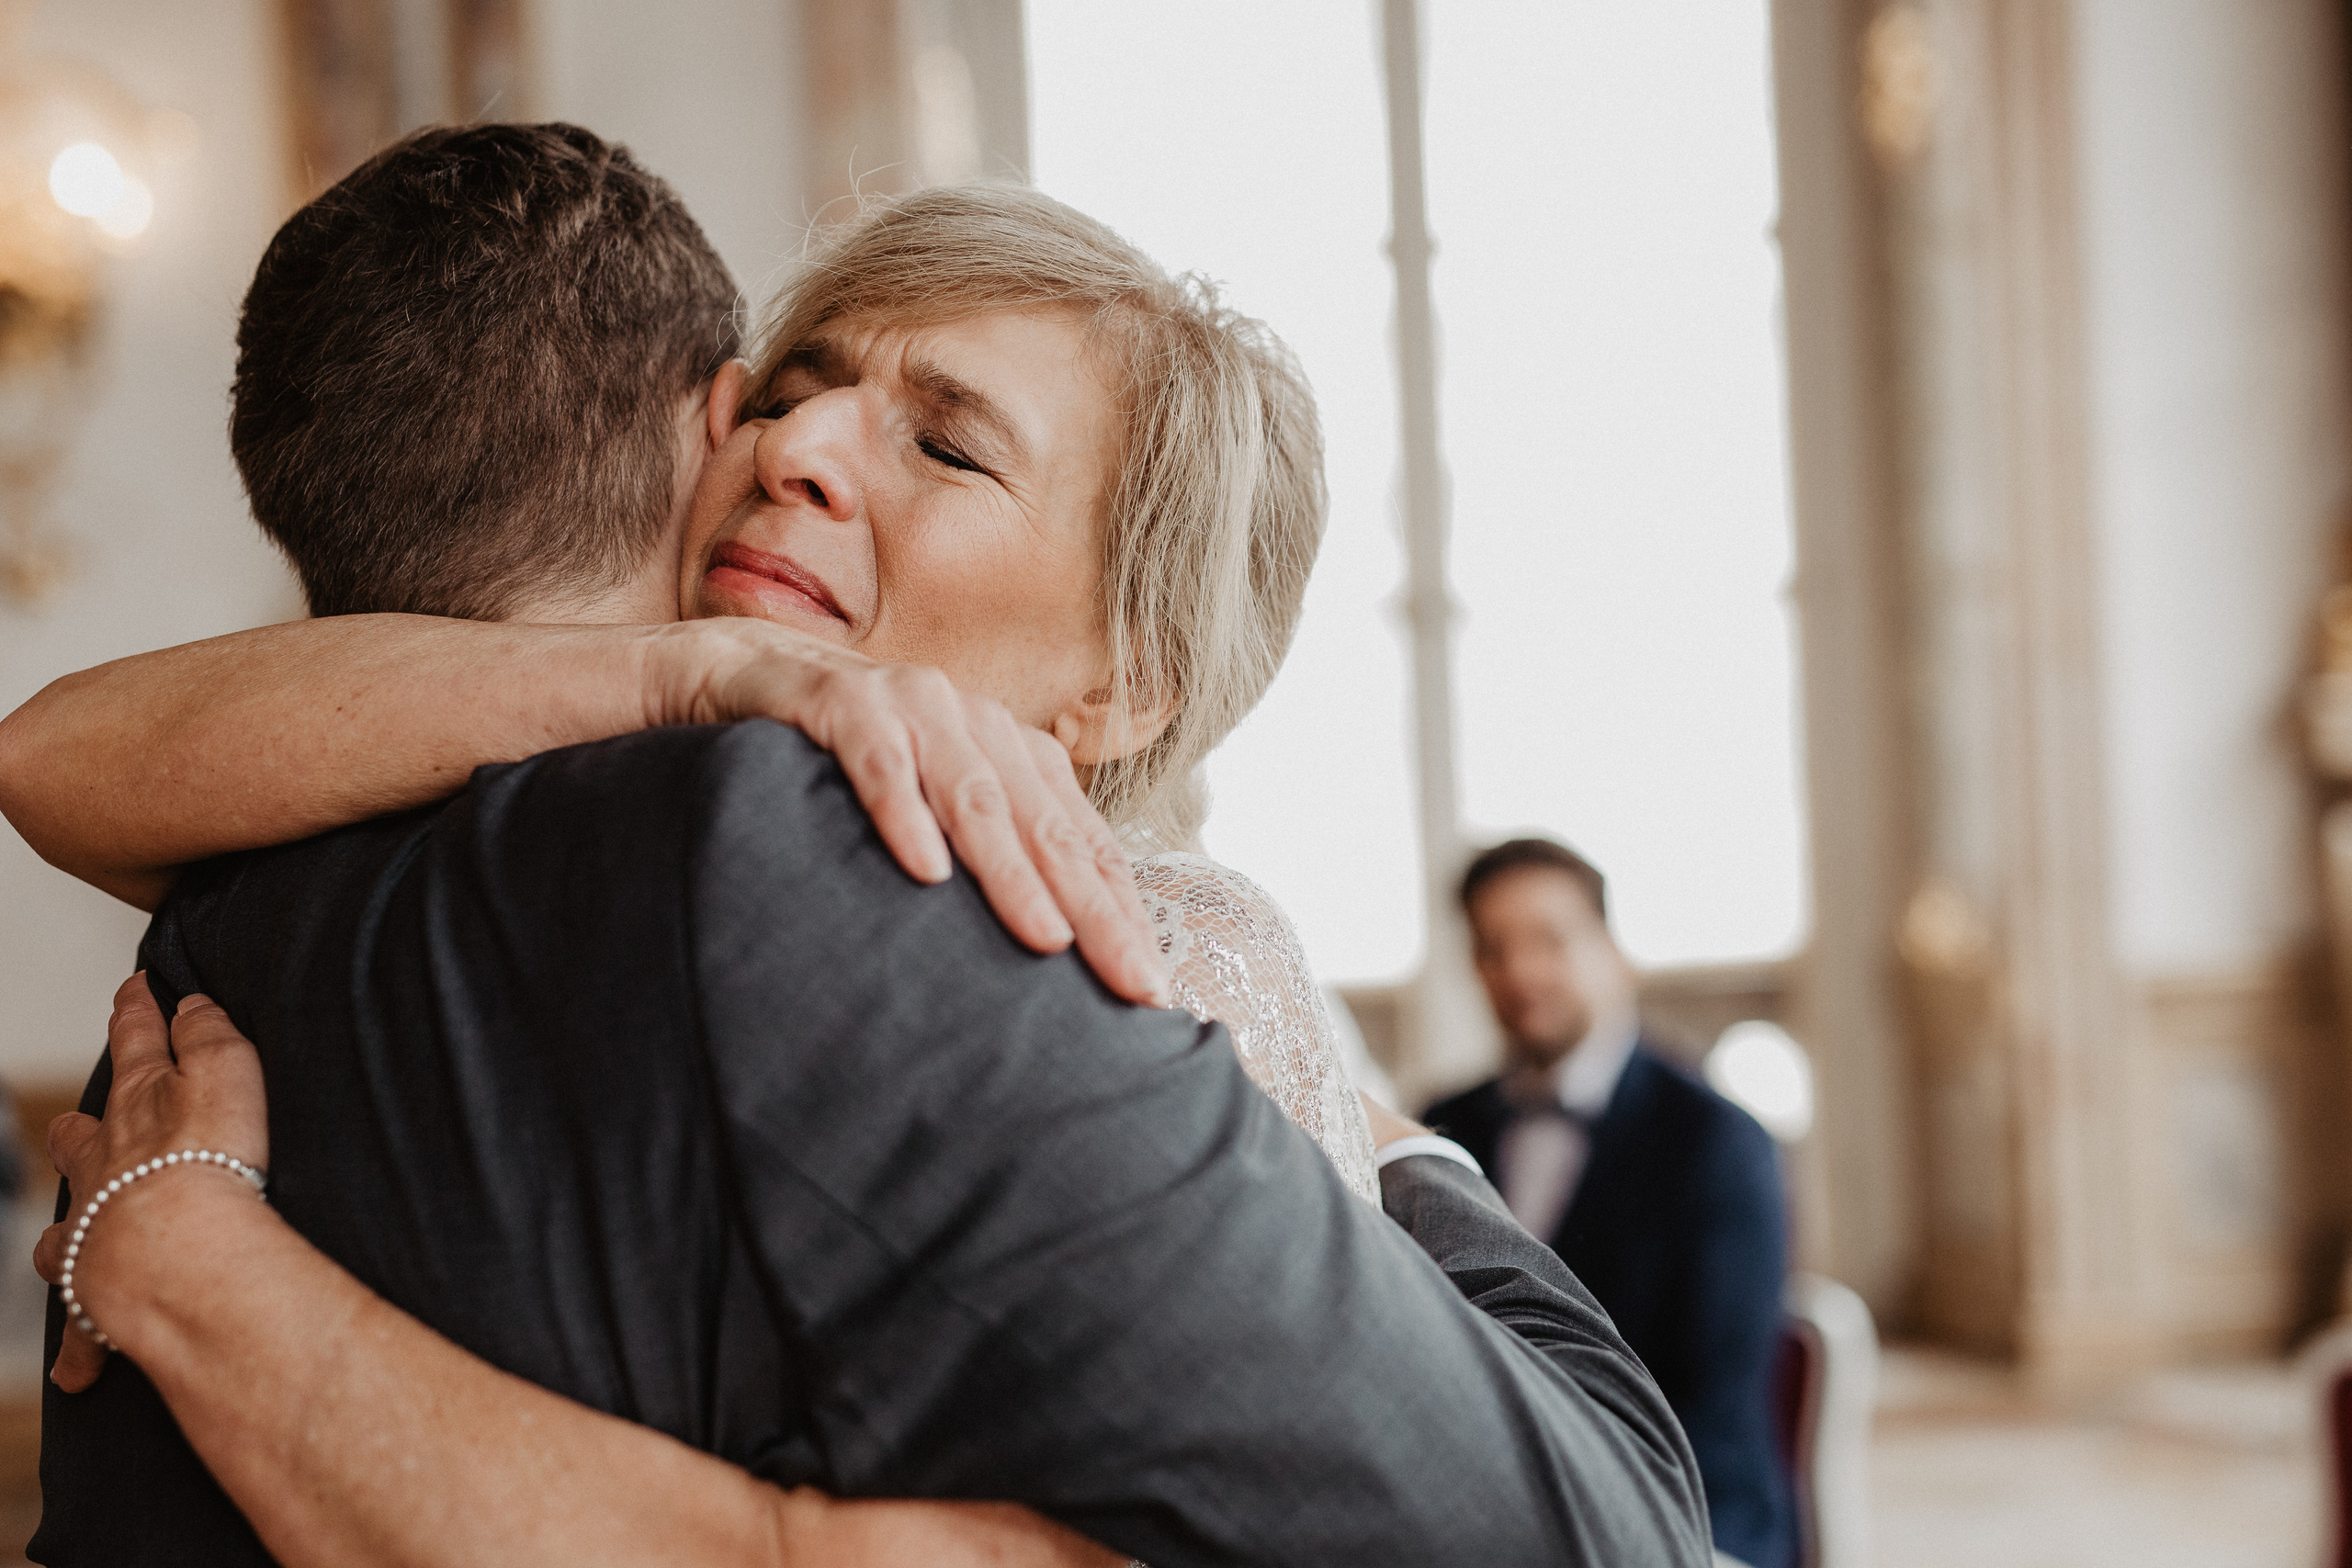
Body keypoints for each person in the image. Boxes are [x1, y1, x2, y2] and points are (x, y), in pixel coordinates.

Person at [0, 126, 1713, 1566]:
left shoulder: (1140, 961)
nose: (799, 448)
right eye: (795, 390)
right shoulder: (629, 795)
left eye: (945, 444)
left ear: (1123, 681)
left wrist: (1366, 1118)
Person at [1425, 838, 1794, 1568]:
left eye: (1548, 939)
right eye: (1493, 946)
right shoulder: (1442, 1124)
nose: (1520, 971)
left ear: (1614, 951)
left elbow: (1709, 1409)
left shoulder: (1717, 1144)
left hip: (1686, 1514)